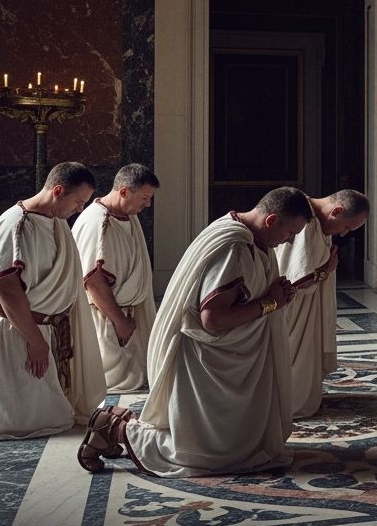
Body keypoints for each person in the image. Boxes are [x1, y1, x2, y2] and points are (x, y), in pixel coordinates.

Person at [76, 187, 312, 476]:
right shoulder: (233, 247)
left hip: (226, 359)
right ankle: (115, 427)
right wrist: (270, 302)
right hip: (206, 361)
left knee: (232, 442)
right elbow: (212, 318)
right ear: (271, 220)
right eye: (290, 233)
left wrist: (275, 295)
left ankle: (116, 426)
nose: (290, 241)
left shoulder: (246, 236)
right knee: (205, 452)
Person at [0, 162, 107, 439]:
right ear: (58, 191)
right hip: (15, 329)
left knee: (51, 416)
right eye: (77, 201)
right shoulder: (17, 224)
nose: (80, 210)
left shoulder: (54, 221)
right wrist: (35, 341)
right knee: (6, 422)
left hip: (41, 330)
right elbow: (7, 288)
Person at [275, 189, 369, 418]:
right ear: (336, 211)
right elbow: (295, 276)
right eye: (346, 227)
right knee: (292, 352)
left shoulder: (317, 220)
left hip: (310, 305)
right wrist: (325, 270)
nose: (344, 234)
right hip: (295, 307)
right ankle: (286, 402)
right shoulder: (304, 221)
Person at [72, 164, 160, 393]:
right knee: (109, 384)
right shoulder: (96, 221)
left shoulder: (128, 217)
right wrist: (120, 321)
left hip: (127, 315)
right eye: (145, 198)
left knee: (135, 380)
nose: (147, 204)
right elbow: (92, 279)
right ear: (123, 191)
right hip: (106, 319)